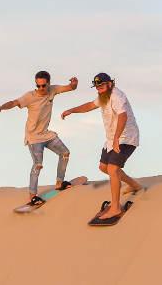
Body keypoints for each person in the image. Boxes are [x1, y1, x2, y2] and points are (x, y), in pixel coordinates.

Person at [61, 72, 142, 223]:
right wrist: (71, 110)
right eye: (97, 87)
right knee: (104, 167)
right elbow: (90, 105)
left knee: (112, 169)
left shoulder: (118, 97)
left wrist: (117, 138)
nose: (100, 89)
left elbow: (123, 116)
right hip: (112, 139)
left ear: (110, 84)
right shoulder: (103, 97)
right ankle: (134, 185)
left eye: (102, 86)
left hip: (126, 138)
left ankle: (115, 207)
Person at [0, 71, 79, 206]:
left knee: (65, 153)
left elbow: (70, 88)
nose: (41, 89)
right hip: (33, 137)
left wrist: (74, 84)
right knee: (38, 165)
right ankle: (32, 196)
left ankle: (59, 182)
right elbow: (14, 102)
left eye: (43, 86)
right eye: (38, 86)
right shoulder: (30, 96)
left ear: (48, 84)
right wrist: (1, 107)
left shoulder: (53, 90)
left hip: (46, 134)